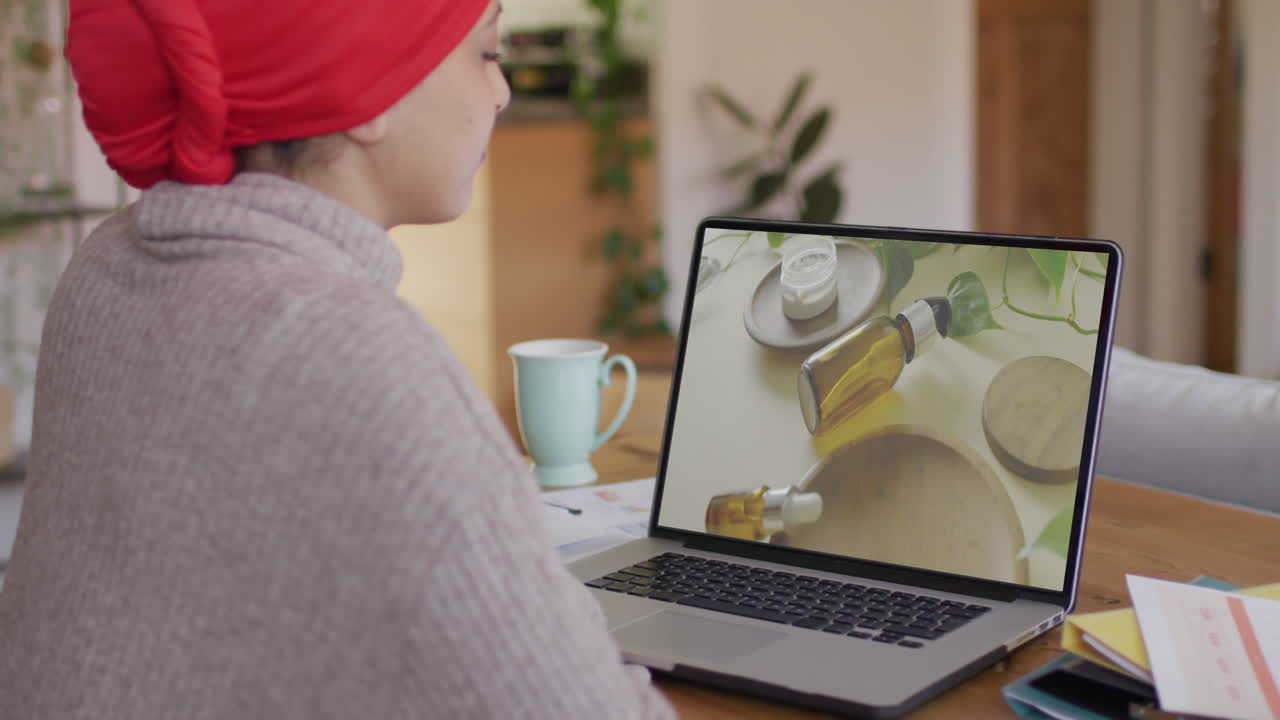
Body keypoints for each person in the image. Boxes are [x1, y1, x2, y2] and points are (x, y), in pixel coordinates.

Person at [0, 1, 676, 718]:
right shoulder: (351, 352)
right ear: (370, 96)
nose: (502, 89)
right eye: (484, 52)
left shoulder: (105, 267)